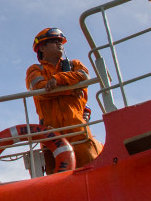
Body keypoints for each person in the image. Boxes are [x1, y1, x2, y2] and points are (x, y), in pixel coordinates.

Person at [24, 29, 102, 171]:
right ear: (42, 48)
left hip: (78, 130)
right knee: (57, 178)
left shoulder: (74, 64)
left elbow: (84, 77)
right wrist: (71, 89)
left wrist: (58, 79)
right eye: (54, 41)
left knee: (92, 170)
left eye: (60, 42)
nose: (59, 44)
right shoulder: (34, 70)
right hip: (51, 135)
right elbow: (40, 89)